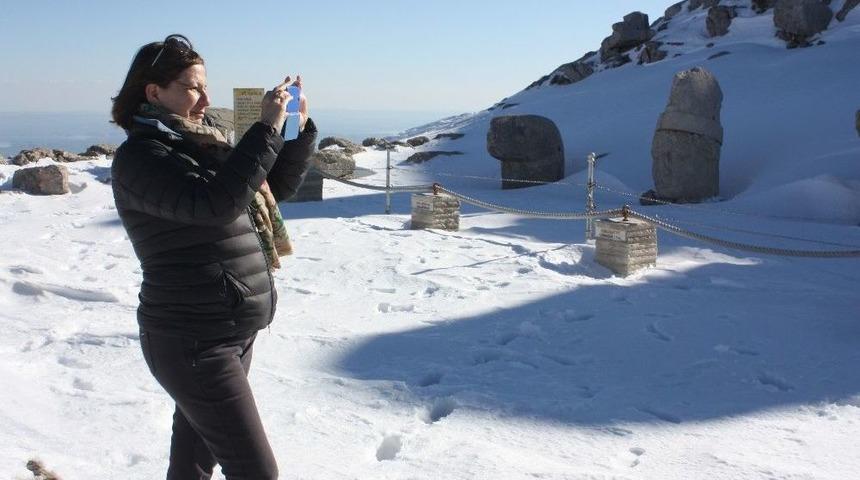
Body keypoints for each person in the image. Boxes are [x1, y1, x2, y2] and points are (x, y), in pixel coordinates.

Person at [110, 34, 317, 479]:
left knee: (193, 464)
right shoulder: (142, 157)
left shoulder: (200, 143)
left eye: (205, 86)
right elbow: (214, 205)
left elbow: (267, 191)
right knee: (257, 472)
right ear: (153, 92)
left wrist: (295, 131)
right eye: (192, 87)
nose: (205, 98)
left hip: (229, 330)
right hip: (193, 341)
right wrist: (262, 129)